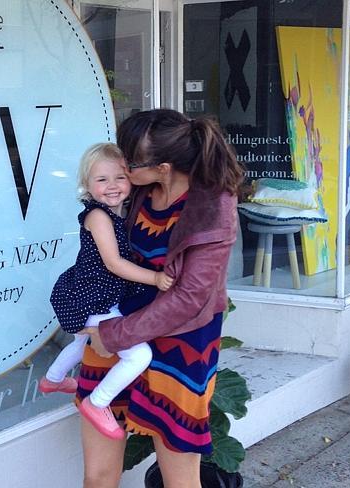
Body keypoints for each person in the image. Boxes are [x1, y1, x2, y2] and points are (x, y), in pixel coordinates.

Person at [77, 109, 243, 488]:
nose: (120, 165)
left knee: (179, 479)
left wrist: (116, 333)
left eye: (128, 160)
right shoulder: (133, 192)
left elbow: (189, 297)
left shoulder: (212, 207)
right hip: (114, 330)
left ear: (162, 167)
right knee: (98, 473)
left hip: (179, 346)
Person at [40, 143, 174, 440]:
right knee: (139, 356)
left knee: (80, 343)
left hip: (90, 296)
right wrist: (156, 278)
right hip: (94, 301)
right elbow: (114, 263)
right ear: (86, 186)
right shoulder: (98, 217)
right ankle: (97, 403)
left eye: (119, 178)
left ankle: (52, 380)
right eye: (102, 180)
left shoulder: (116, 214)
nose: (112, 186)